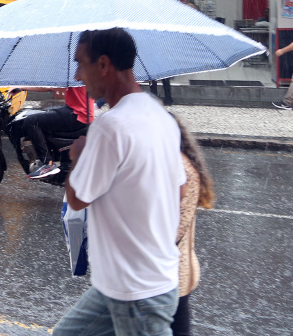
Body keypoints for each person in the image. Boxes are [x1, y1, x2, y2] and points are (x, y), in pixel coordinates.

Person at [53, 28, 185, 336]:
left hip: (136, 290)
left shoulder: (110, 127)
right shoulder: (160, 115)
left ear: (103, 65)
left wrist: (78, 156)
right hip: (124, 283)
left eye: (80, 64)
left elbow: (77, 198)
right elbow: (180, 188)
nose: (77, 75)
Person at [169, 115, 216, 336]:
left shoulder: (179, 168)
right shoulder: (175, 162)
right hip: (175, 272)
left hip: (174, 273)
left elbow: (174, 229)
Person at [24, 86, 94, 180]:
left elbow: (49, 87)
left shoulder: (75, 74)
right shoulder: (82, 73)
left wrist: (22, 88)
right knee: (46, 115)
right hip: (80, 112)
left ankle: (47, 163)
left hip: (77, 114)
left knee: (32, 121)